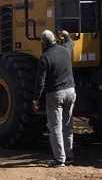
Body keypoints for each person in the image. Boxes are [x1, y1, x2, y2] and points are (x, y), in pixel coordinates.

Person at [32, 30, 76, 167]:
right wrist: (66, 34)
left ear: (43, 43)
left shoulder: (45, 58)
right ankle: (69, 156)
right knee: (68, 126)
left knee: (55, 127)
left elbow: (40, 82)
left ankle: (59, 159)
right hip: (71, 91)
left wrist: (36, 99)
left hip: (55, 95)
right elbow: (71, 43)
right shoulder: (65, 50)